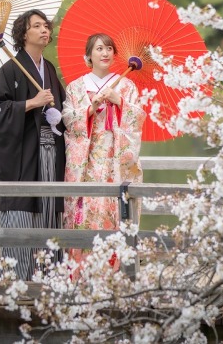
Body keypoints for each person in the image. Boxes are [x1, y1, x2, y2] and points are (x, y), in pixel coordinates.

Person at [0, 9, 66, 280]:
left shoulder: (49, 69)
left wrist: (60, 114)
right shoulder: (11, 69)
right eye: (37, 26)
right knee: (23, 209)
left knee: (50, 210)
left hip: (50, 153)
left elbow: (63, 109)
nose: (45, 30)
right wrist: (31, 103)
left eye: (46, 26)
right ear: (23, 34)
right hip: (24, 156)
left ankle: (49, 279)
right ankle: (17, 281)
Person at [61, 33, 145, 269]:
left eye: (109, 48)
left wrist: (120, 102)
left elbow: (137, 119)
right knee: (85, 208)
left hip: (115, 159)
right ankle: (81, 269)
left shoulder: (126, 86)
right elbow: (68, 119)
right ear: (88, 56)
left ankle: (115, 269)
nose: (105, 53)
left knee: (114, 206)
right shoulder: (76, 87)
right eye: (99, 49)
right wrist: (90, 109)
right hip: (86, 162)